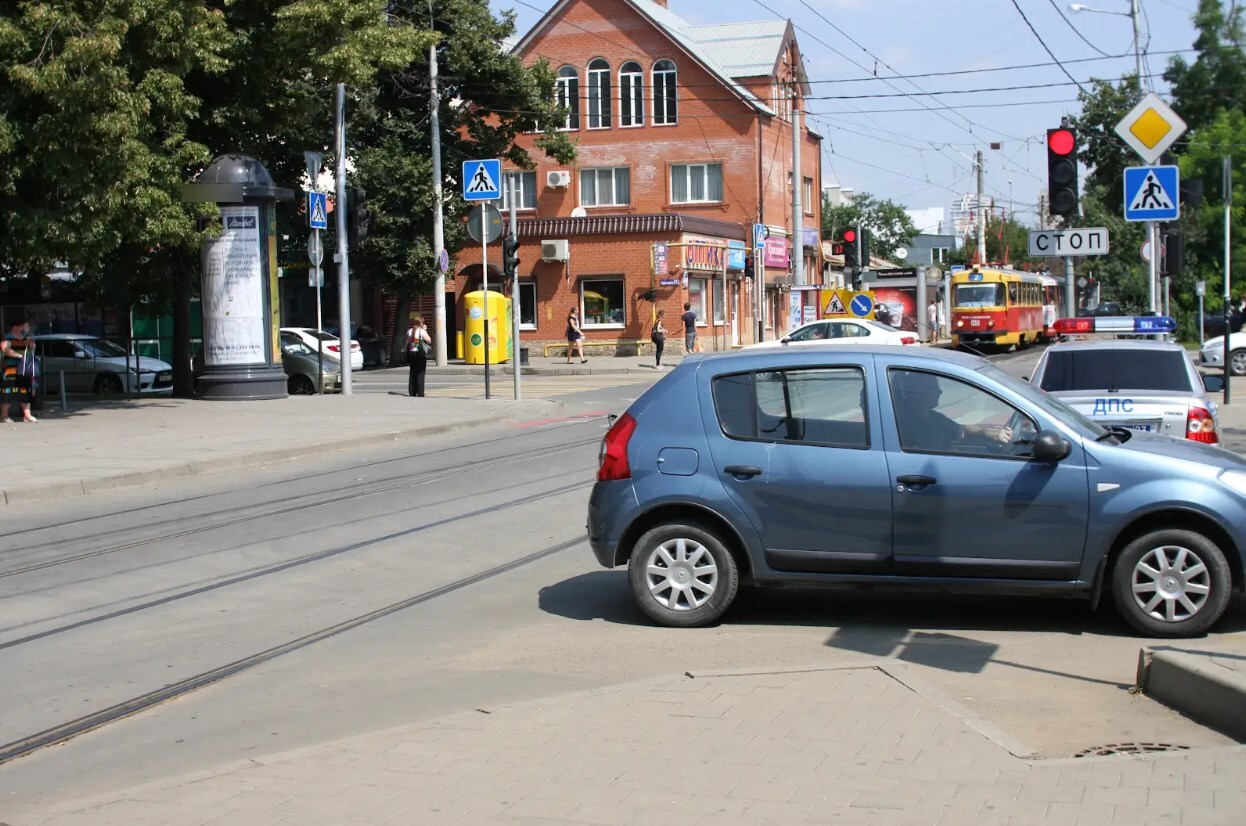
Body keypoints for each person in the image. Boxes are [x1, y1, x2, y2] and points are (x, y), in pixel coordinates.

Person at [891, 371, 1015, 454]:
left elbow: (963, 431)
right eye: (932, 388)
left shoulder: (934, 418)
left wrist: (991, 434)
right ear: (916, 392)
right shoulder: (902, 423)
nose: (939, 391)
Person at [1, 318, 37, 423]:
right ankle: (4, 415)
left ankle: (27, 415)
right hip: (11, 369)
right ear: (11, 327)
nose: (17, 328)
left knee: (25, 391)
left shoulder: (26, 337)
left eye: (20, 326)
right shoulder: (7, 337)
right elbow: (5, 349)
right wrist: (19, 356)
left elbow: (33, 348)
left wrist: (28, 335)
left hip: (25, 369)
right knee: (8, 392)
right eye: (15, 326)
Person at [404, 315, 431, 397]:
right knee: (420, 373)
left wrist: (405, 349)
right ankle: (420, 392)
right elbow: (429, 340)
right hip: (420, 354)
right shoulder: (421, 331)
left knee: (412, 372)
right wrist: (425, 330)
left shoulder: (410, 331)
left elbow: (407, 342)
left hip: (412, 353)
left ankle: (412, 391)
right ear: (421, 323)